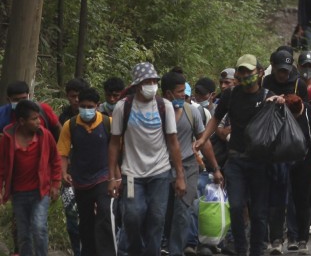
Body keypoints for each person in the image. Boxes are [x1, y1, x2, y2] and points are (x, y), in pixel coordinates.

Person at [194, 54, 274, 256]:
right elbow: (216, 118)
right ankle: (240, 249)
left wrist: (281, 102)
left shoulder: (268, 96)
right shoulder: (231, 95)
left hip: (260, 161)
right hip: (236, 159)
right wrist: (203, 139)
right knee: (236, 206)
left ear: (259, 72)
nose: (246, 75)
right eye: (242, 71)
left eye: (249, 71)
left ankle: (257, 250)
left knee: (258, 212)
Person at [108, 62, 187, 256]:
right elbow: (114, 143)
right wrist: (112, 177)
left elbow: (173, 142)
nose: (152, 85)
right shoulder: (122, 107)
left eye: (154, 81)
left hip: (159, 173)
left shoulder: (164, 106)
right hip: (132, 174)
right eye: (147, 81)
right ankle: (135, 251)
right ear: (137, 85)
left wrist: (180, 176)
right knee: (132, 216)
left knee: (157, 219)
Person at [161, 71, 221, 256]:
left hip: (188, 167)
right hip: (161, 167)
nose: (184, 96)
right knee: (162, 212)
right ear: (167, 93)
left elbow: (204, 141)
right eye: (179, 92)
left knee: (182, 211)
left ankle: (175, 251)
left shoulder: (191, 111)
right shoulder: (156, 112)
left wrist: (215, 168)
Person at [58, 87, 115, 256]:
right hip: (80, 180)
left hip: (103, 176)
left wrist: (116, 177)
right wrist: (63, 173)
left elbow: (116, 150)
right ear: (78, 105)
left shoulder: (107, 123)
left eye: (90, 106)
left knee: (105, 213)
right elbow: (62, 152)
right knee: (85, 220)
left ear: (97, 106)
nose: (87, 110)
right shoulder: (71, 125)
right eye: (83, 106)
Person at [0, 100, 61, 256]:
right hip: (18, 193)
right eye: (34, 119)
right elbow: (2, 166)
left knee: (39, 227)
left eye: (38, 117)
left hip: (40, 192)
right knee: (23, 233)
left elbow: (55, 159)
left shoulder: (45, 136)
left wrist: (55, 183)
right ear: (21, 121)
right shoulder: (7, 138)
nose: (38, 122)